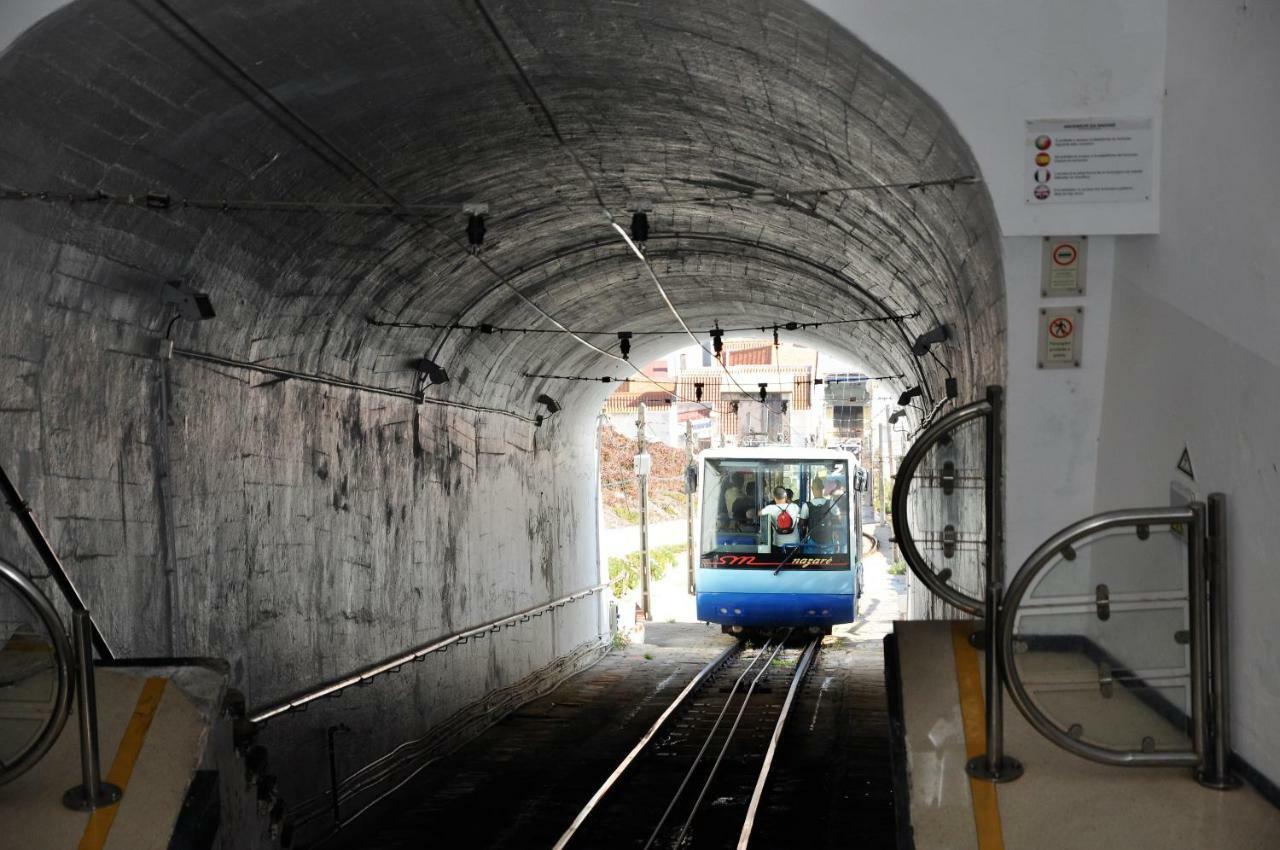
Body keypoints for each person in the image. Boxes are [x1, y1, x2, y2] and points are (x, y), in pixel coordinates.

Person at [801, 474, 846, 554]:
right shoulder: (831, 503)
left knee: (810, 564)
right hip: (828, 540)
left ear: (812, 489)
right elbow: (838, 521)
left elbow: (802, 525)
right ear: (823, 488)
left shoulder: (806, 506)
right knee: (828, 562)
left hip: (812, 540)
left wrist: (804, 537)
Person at [759, 486, 801, 553]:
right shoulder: (794, 506)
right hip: (794, 543)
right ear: (785, 496)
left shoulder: (771, 508)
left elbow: (759, 513)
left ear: (774, 497)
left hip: (778, 543)